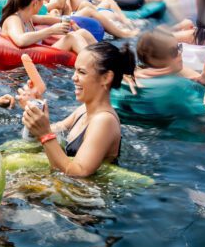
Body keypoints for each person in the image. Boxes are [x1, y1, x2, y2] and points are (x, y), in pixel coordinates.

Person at [18, 42, 136, 177]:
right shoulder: (83, 110)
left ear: (106, 78)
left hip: (86, 193)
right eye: (75, 70)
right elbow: (51, 131)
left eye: (81, 72)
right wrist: (34, 108)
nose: (73, 77)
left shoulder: (105, 121)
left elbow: (79, 172)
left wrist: (45, 134)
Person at [0, 0, 96, 55]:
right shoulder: (13, 19)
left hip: (36, 53)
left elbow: (44, 19)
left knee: (82, 33)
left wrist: (70, 21)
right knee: (72, 38)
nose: (43, 4)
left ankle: (103, 57)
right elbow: (21, 40)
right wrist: (51, 30)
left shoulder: (28, 17)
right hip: (29, 58)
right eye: (42, 0)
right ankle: (94, 65)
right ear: (35, 2)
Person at [135, 29, 205, 86]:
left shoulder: (180, 70)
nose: (179, 53)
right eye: (173, 52)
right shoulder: (139, 78)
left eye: (178, 47)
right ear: (155, 60)